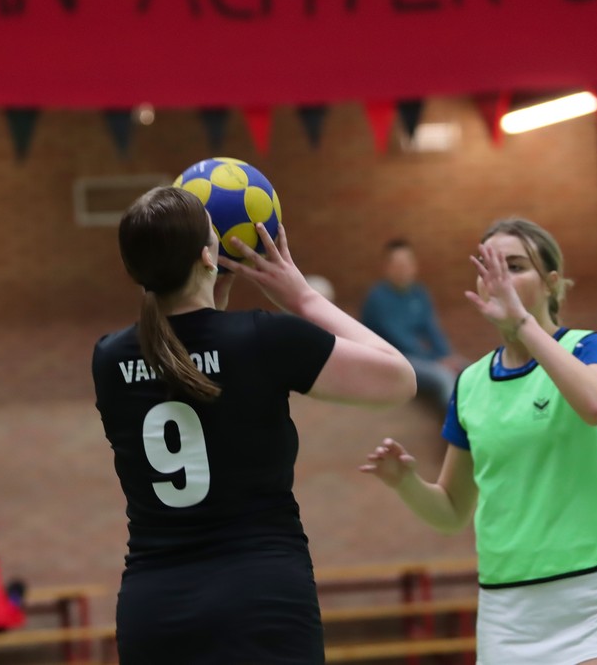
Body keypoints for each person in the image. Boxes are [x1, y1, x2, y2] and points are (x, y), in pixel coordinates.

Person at [91, 187, 416, 665]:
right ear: (209, 255)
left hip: (154, 608)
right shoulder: (262, 338)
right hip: (260, 597)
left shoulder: (108, 358)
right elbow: (398, 379)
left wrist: (208, 295)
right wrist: (302, 296)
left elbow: (190, 351)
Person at [361, 218, 597, 665]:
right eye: (488, 266)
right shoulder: (470, 383)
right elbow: (451, 512)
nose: (498, 279)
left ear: (551, 282)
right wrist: (406, 483)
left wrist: (523, 324)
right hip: (510, 612)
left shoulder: (589, 348)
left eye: (514, 266)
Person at [361, 239, 467, 407]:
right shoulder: (378, 298)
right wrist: (435, 361)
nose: (403, 269)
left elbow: (432, 329)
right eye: (397, 264)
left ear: (414, 266)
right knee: (443, 376)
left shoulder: (419, 293)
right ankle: (456, 421)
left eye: (407, 263)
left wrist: (446, 355)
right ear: (387, 268)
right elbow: (400, 339)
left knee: (467, 369)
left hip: (418, 357)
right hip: (391, 359)